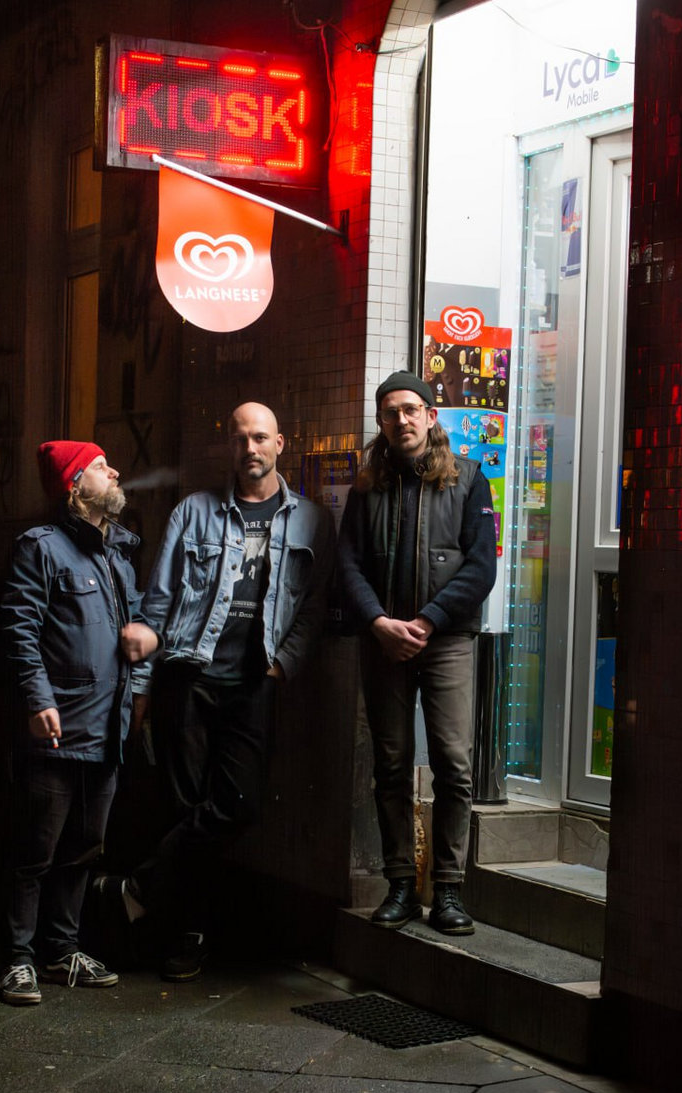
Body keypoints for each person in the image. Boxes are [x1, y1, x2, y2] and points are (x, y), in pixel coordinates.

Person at [96, 402, 336, 981]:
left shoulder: (312, 521)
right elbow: (158, 602)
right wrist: (143, 687)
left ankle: (137, 888)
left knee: (237, 805)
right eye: (240, 438)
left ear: (281, 443)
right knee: (185, 808)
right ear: (229, 445)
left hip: (255, 683)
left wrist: (281, 668)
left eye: (260, 437)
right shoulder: (194, 512)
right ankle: (190, 935)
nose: (250, 448)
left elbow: (313, 608)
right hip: (189, 677)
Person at [0, 440, 158, 1005]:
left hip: (107, 732)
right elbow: (19, 629)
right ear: (74, 485)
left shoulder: (118, 557)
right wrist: (37, 699)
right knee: (35, 851)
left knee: (85, 849)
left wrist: (146, 653)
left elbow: (139, 629)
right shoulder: (41, 549)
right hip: (58, 729)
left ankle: (61, 951)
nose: (113, 471)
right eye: (98, 466)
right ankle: (17, 960)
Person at [338, 370, 497, 935]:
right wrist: (379, 622)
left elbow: (482, 567)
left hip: (445, 639)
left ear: (431, 416)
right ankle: (402, 885)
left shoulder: (470, 479)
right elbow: (348, 565)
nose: (401, 419)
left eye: (411, 409)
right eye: (390, 412)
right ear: (381, 422)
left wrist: (428, 620)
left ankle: (448, 890)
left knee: (453, 764)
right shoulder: (367, 487)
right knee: (391, 764)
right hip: (384, 642)